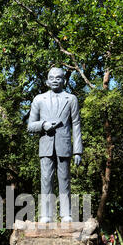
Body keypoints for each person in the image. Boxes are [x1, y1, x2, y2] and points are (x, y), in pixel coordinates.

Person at [27, 67, 83, 223]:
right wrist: (43, 124)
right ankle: (46, 214)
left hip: (63, 144)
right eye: (52, 78)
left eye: (58, 78)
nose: (55, 80)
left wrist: (78, 151)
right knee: (46, 179)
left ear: (64, 81)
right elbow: (30, 126)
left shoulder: (71, 99)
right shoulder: (39, 99)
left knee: (64, 179)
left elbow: (76, 124)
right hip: (45, 145)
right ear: (46, 81)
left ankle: (66, 214)